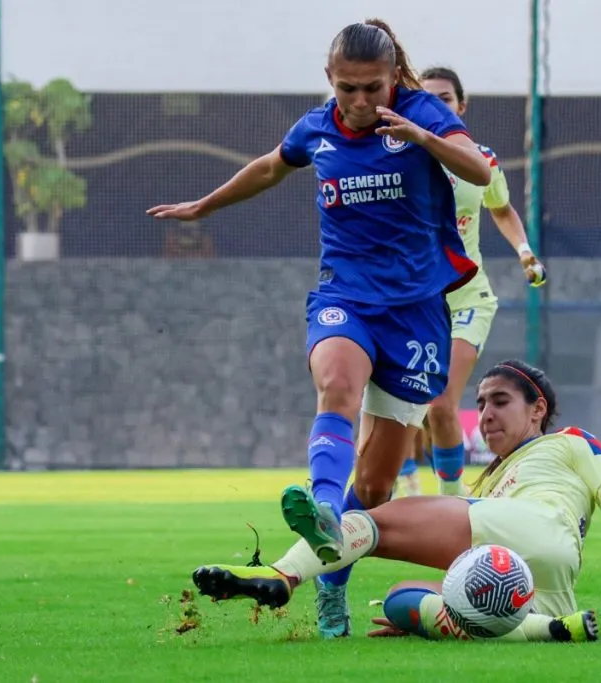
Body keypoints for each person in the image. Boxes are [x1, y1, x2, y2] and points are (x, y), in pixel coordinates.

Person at [148, 19, 491, 638]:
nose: (360, 103)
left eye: (373, 89)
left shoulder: (418, 113)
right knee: (336, 385)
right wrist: (205, 205)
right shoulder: (317, 128)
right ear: (330, 81)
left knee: (379, 483)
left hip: (415, 312)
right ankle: (323, 509)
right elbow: (268, 167)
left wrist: (419, 134)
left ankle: (331, 581)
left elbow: (481, 172)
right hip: (345, 297)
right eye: (347, 89)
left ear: (393, 80)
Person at [190, 360, 601, 642]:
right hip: (543, 590)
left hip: (528, 532)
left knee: (378, 521)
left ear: (539, 411)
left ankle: (284, 577)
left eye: (500, 402)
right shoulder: (486, 484)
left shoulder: (569, 441)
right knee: (400, 600)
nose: (485, 414)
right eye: (481, 403)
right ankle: (551, 631)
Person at [394, 67, 546, 500]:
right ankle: (403, 484)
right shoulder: (398, 160)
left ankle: (453, 501)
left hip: (467, 297)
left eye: (445, 98)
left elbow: (501, 207)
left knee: (440, 400)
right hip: (413, 300)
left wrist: (524, 251)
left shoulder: (482, 160)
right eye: (427, 98)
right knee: (404, 402)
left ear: (461, 106)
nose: (436, 105)